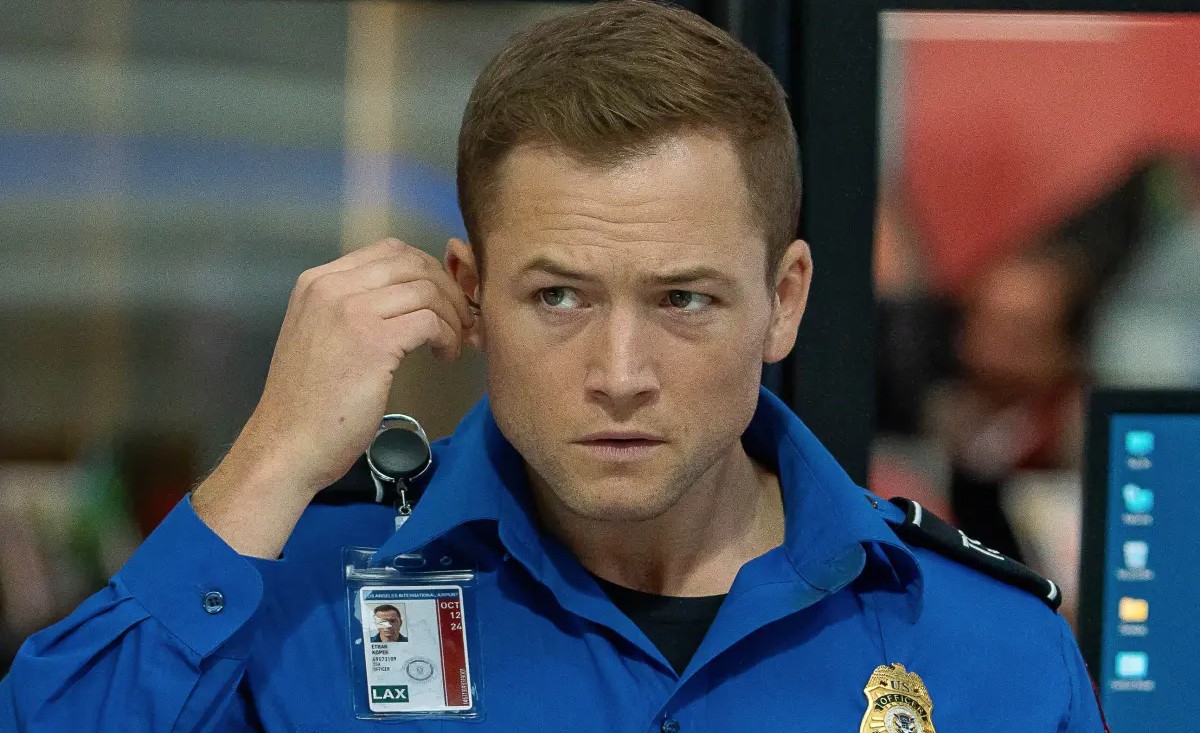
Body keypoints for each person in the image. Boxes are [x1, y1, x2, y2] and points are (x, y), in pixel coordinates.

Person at [0, 2, 1105, 731]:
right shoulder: (304, 593)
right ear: (470, 294)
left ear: (784, 300)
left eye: (683, 298)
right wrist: (272, 459)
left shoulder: (980, 644)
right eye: (560, 296)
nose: (619, 371)